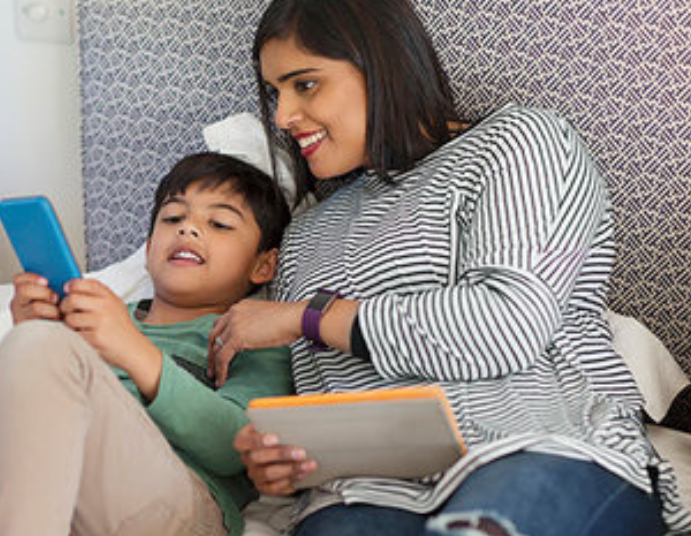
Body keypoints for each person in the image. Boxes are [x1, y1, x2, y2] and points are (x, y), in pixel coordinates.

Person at [205, 0, 691, 534]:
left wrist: (310, 318)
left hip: (539, 449)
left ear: (378, 63)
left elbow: (508, 325)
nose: (281, 117)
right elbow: (328, 400)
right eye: (275, 93)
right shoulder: (305, 238)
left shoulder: (518, 144)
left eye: (305, 84)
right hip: (362, 494)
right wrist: (282, 460)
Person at [0, 152, 293, 536]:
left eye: (220, 223)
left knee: (41, 347)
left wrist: (132, 351)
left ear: (263, 265)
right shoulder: (97, 317)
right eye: (173, 217)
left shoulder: (253, 335)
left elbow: (237, 446)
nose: (187, 228)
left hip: (177, 504)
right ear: (149, 245)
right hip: (59, 498)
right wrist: (35, 338)